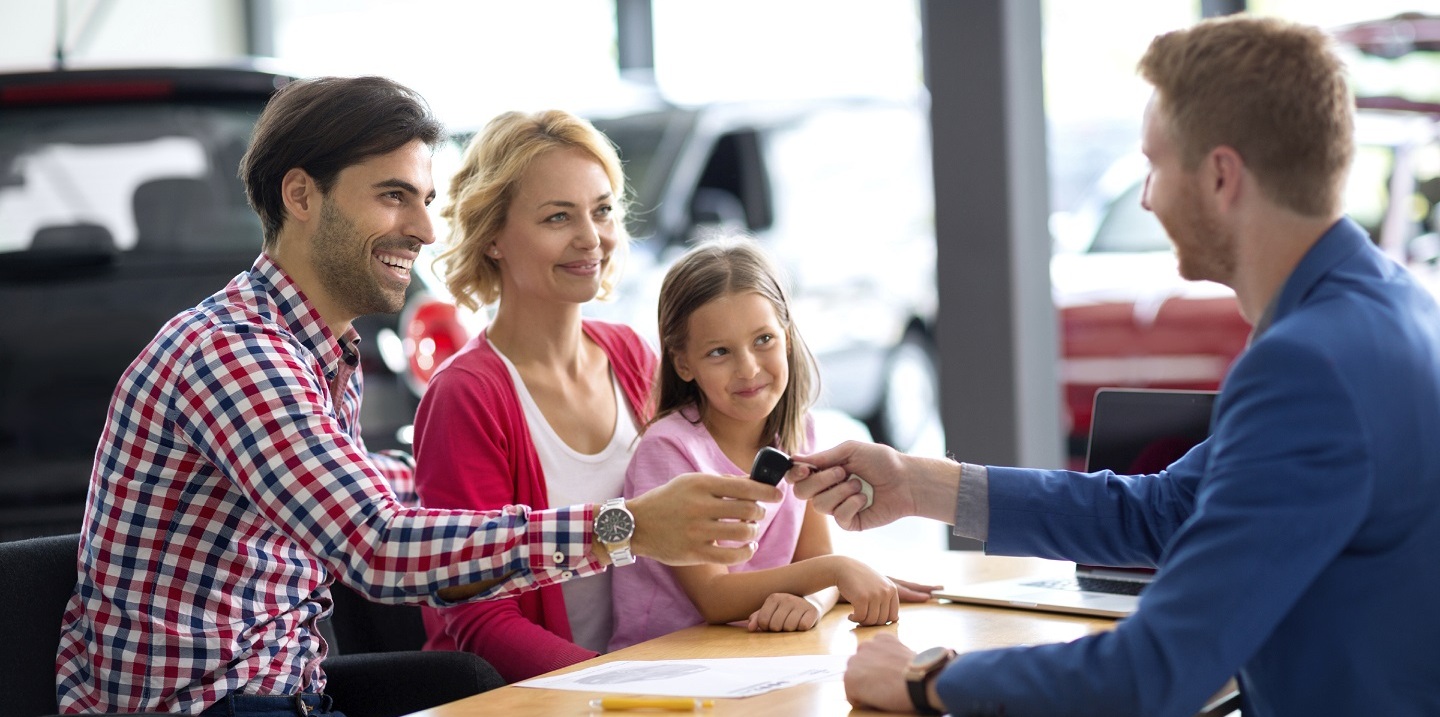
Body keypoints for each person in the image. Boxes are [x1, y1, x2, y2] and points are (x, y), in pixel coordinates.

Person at [54, 76, 781, 716]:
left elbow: (361, 490)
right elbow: (378, 546)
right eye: (393, 196)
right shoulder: (236, 354)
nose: (427, 228)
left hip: (290, 694)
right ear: (301, 195)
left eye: (427, 199)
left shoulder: (319, 350)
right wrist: (627, 526)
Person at [787, 15, 1440, 717]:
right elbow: (1165, 509)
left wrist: (925, 679)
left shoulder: (1311, 364)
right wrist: (922, 485)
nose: (1146, 196)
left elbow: (1155, 670)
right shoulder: (1383, 303)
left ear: (1221, 177)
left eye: (1155, 164)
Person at [409, 109, 655, 681]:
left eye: (602, 211)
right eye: (557, 217)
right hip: (539, 694)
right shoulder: (466, 396)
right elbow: (480, 618)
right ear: (492, 236)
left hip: (645, 673)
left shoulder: (634, 358)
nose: (591, 238)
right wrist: (615, 686)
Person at [608, 238, 935, 651]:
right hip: (660, 668)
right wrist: (836, 572)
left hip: (757, 658)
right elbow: (715, 598)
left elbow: (813, 561)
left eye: (763, 340)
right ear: (683, 363)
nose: (748, 368)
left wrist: (813, 601)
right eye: (720, 352)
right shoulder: (668, 450)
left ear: (788, 335)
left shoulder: (799, 432)